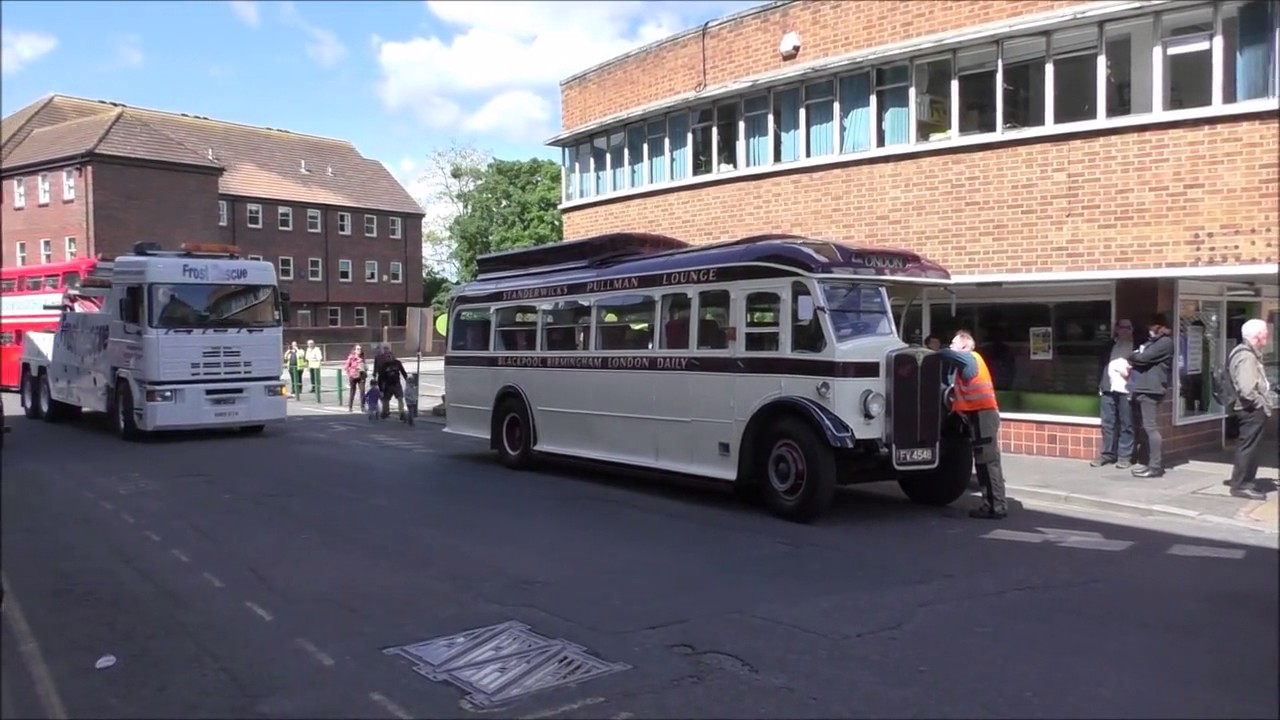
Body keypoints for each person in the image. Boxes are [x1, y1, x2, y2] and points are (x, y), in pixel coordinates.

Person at [938, 330, 1007, 519]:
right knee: (982, 462)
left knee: (989, 462)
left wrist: (933, 351)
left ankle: (997, 506)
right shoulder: (965, 365)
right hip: (977, 417)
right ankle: (989, 504)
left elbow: (945, 354)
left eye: (954, 343)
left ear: (965, 346)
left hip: (984, 416)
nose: (951, 346)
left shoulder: (970, 359)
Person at [1226, 318, 1274, 500]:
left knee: (1252, 447)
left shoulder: (1247, 353)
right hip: (1250, 410)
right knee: (1248, 447)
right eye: (1264, 333)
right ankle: (1240, 485)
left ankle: (1247, 482)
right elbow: (1247, 389)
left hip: (1251, 409)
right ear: (1257, 336)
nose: (1267, 336)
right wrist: (1260, 403)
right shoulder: (1246, 356)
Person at [1127, 314, 1174, 478]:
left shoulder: (1165, 343)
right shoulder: (1153, 342)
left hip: (1151, 390)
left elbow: (1142, 357)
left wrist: (1133, 356)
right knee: (1147, 427)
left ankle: (1155, 466)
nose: (1149, 331)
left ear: (1159, 327)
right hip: (1145, 388)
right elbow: (1139, 355)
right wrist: (1136, 356)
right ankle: (1150, 463)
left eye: (1151, 328)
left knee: (1150, 427)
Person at [1092, 319, 1136, 469]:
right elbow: (1101, 365)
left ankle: (1125, 456)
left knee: (1126, 424)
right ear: (1116, 329)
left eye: (1128, 328)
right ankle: (1107, 454)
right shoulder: (1110, 346)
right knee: (1108, 423)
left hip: (1127, 390)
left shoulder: (1136, 346)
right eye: (1122, 327)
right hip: (1108, 389)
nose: (1125, 330)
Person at [374, 345, 409, 420]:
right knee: (386, 399)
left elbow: (403, 372)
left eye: (390, 356)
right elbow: (381, 377)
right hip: (388, 385)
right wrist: (381, 388)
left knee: (400, 398)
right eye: (387, 357)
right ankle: (385, 412)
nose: (388, 358)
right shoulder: (384, 365)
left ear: (393, 356)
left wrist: (407, 380)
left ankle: (402, 413)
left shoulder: (397, 363)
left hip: (396, 384)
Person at [345, 344, 368, 412]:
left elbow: (364, 365)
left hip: (361, 375)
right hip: (353, 375)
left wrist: (365, 368)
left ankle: (362, 407)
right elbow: (346, 366)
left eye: (360, 349)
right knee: (352, 391)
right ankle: (350, 407)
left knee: (362, 391)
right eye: (358, 349)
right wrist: (350, 373)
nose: (359, 350)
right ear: (354, 350)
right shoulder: (351, 357)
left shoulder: (362, 357)